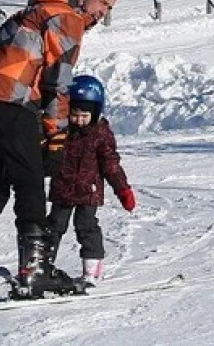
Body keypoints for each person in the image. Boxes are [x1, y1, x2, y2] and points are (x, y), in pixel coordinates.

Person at [0, 0, 120, 297]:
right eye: (102, 2)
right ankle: (35, 270)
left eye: (109, 8)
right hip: (10, 97)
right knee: (30, 181)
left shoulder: (38, 8)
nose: (103, 12)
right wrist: (57, 139)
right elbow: (57, 84)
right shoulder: (67, 16)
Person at [46, 74, 134, 292]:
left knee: (86, 227)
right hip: (62, 189)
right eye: (75, 114)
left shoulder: (101, 134)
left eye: (85, 115)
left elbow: (110, 164)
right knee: (54, 227)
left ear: (95, 113)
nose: (79, 120)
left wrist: (122, 189)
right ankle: (43, 267)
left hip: (88, 191)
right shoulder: (61, 131)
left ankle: (91, 270)